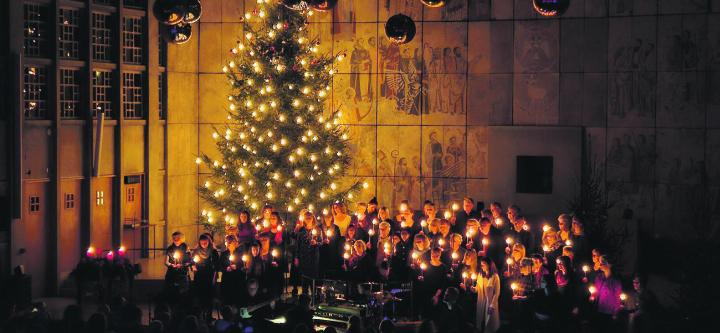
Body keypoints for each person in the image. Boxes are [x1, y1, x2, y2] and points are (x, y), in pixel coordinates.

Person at [190, 233, 218, 320]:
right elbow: (192, 262)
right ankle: (200, 315)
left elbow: (216, 266)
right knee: (199, 296)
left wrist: (215, 277)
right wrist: (193, 266)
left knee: (209, 296)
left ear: (209, 242)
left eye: (205, 243)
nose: (204, 245)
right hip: (199, 276)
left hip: (209, 276)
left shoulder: (213, 252)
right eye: (202, 243)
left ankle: (208, 315)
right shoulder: (196, 251)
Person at [591, 256, 622, 332]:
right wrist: (592, 296)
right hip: (598, 310)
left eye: (602, 263)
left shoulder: (615, 281)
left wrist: (615, 313)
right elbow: (595, 291)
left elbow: (617, 298)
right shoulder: (599, 277)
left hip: (609, 313)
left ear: (609, 264)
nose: (600, 265)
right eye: (600, 262)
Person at [294, 211, 321, 295]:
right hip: (303, 257)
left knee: (313, 277)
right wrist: (296, 257)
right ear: (304, 219)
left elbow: (321, 242)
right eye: (306, 218)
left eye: (310, 218)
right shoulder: (301, 230)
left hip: (314, 257)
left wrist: (316, 243)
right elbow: (297, 245)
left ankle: (314, 295)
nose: (308, 219)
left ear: (313, 218)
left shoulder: (317, 229)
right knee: (304, 278)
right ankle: (304, 296)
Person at [219, 235, 247, 308]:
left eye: (230, 242)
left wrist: (236, 267)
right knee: (227, 299)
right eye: (227, 242)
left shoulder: (240, 253)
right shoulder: (224, 254)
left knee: (236, 299)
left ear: (235, 243)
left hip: (237, 279)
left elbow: (244, 265)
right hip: (227, 279)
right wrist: (226, 268)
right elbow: (220, 267)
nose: (228, 244)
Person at [163, 231, 191, 302]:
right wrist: (171, 265)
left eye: (177, 238)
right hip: (171, 274)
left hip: (183, 274)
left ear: (182, 238)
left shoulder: (186, 248)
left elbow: (190, 261)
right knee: (171, 293)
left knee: (183, 294)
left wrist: (182, 265)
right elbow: (166, 262)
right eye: (174, 238)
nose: (175, 240)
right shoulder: (170, 248)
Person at [476, 256, 501, 333]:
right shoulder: (480, 275)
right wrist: (474, 289)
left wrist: (492, 305)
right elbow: (477, 287)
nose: (482, 266)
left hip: (489, 303)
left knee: (489, 322)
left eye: (484, 264)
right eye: (481, 264)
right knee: (481, 320)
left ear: (489, 265)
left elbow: (497, 293)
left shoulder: (495, 277)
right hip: (481, 301)